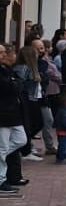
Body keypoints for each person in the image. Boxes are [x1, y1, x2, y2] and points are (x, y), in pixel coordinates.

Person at [0, 43, 28, 194]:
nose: (3, 55)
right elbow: (9, 87)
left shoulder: (7, 70)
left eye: (4, 52)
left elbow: (18, 85)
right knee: (3, 147)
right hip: (3, 114)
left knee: (21, 140)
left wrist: (15, 83)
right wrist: (15, 83)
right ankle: (1, 181)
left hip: (13, 114)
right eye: (1, 53)